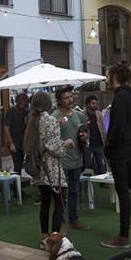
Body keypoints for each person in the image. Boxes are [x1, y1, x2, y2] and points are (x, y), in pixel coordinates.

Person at [101, 62, 131, 248]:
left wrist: (108, 146)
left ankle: (123, 236)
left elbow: (117, 126)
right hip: (127, 146)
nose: (106, 79)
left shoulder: (121, 97)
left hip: (119, 149)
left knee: (122, 191)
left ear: (114, 77)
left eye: (107, 75)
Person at [24, 92, 70, 248]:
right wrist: (67, 143)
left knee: (45, 202)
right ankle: (53, 240)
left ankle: (44, 236)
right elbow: (53, 147)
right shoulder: (49, 120)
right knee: (59, 203)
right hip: (51, 168)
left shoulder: (33, 120)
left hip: (39, 167)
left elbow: (41, 140)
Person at [54, 86, 90, 231]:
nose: (70, 100)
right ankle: (61, 221)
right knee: (62, 194)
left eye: (71, 96)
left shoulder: (78, 115)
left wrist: (85, 136)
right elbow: (51, 138)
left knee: (74, 191)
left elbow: (85, 131)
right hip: (62, 161)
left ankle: (73, 218)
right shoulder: (55, 116)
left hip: (77, 159)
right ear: (59, 101)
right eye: (66, 98)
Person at [4, 93, 29, 174]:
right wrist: (11, 143)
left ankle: (19, 181)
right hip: (14, 141)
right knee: (17, 164)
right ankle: (16, 183)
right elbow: (6, 128)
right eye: (20, 103)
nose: (22, 105)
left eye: (24, 103)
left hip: (23, 142)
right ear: (17, 102)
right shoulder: (11, 111)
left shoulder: (25, 112)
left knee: (21, 163)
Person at [85, 95, 107, 175]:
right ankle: (89, 180)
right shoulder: (82, 114)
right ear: (88, 104)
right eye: (93, 103)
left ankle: (102, 181)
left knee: (101, 162)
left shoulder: (99, 114)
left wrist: (105, 140)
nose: (95, 105)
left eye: (96, 103)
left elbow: (103, 129)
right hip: (87, 142)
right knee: (88, 163)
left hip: (98, 142)